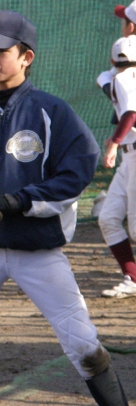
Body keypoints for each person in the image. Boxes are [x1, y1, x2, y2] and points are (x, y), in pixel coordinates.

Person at [0, 10, 128, 406]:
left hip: (38, 250)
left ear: (26, 57)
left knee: (84, 347)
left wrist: (19, 200)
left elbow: (77, 172)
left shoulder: (52, 111)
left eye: (1, 50)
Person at [97, 35, 136, 299]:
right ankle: (132, 278)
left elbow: (131, 114)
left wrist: (113, 143)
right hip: (129, 158)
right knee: (108, 218)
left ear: (112, 60)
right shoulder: (120, 79)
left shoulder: (121, 78)